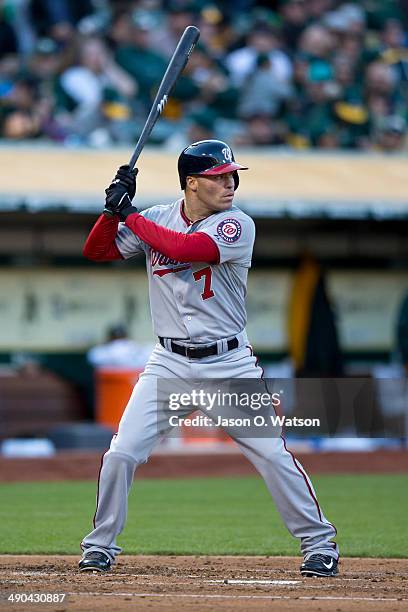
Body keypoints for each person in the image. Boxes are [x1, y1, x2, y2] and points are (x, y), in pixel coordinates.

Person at [78, 139, 339, 577]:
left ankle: (320, 544)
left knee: (272, 455)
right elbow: (97, 251)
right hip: (168, 362)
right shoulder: (157, 217)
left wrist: (129, 214)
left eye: (232, 175)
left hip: (228, 364)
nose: (230, 183)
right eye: (219, 177)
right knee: (121, 452)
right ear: (192, 183)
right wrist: (111, 210)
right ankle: (100, 545)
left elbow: (187, 251)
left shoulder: (236, 225)